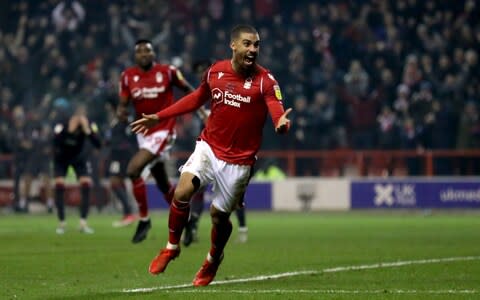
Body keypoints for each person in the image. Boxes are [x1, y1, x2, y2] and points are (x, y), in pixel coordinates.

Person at [131, 24, 292, 286]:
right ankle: (172, 247)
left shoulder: (266, 80)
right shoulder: (216, 71)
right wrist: (159, 117)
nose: (253, 49)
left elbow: (276, 109)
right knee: (182, 192)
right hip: (209, 146)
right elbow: (196, 98)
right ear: (234, 45)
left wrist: (282, 124)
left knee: (219, 217)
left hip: (239, 161)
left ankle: (213, 258)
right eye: (248, 44)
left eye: (257, 45)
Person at [118, 39, 196, 243]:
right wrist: (122, 113)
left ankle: (144, 219)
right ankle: (187, 221)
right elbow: (123, 104)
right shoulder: (127, 77)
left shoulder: (168, 71)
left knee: (133, 170)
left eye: (147, 51)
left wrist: (199, 112)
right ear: (135, 56)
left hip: (164, 130)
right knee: (163, 185)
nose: (144, 54)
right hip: (143, 134)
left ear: (153, 54)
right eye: (140, 51)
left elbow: (191, 91)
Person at [53, 104, 101, 234]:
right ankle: (61, 223)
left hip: (78, 158)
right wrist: (69, 130)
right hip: (61, 158)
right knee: (59, 185)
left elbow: (98, 144)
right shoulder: (62, 123)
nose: (80, 116)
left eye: (83, 113)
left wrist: (87, 130)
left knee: (86, 184)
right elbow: (54, 142)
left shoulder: (88, 124)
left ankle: (83, 223)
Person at [105, 108, 137, 227]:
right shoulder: (115, 124)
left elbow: (128, 140)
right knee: (119, 183)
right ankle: (127, 213)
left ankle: (128, 213)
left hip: (121, 156)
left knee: (115, 182)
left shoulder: (126, 124)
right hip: (117, 155)